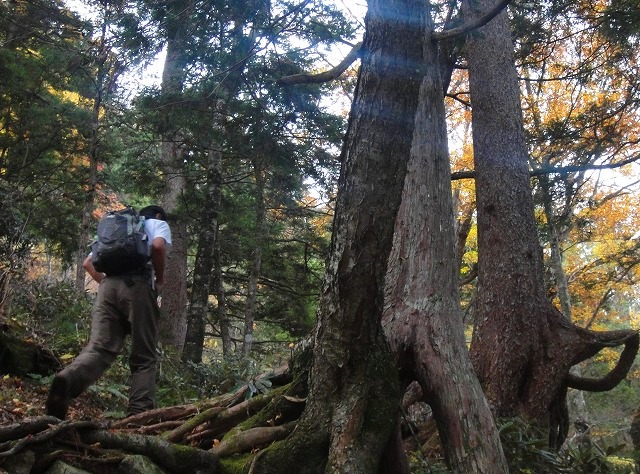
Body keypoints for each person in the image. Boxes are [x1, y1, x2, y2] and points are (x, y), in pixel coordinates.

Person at [46, 205, 172, 419]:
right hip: (138, 287)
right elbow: (158, 247)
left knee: (99, 348)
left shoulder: (117, 230)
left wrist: (107, 285)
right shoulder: (156, 223)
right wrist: (159, 281)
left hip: (107, 288)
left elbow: (88, 263)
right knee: (144, 356)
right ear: (158, 215)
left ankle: (68, 379)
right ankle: (139, 415)